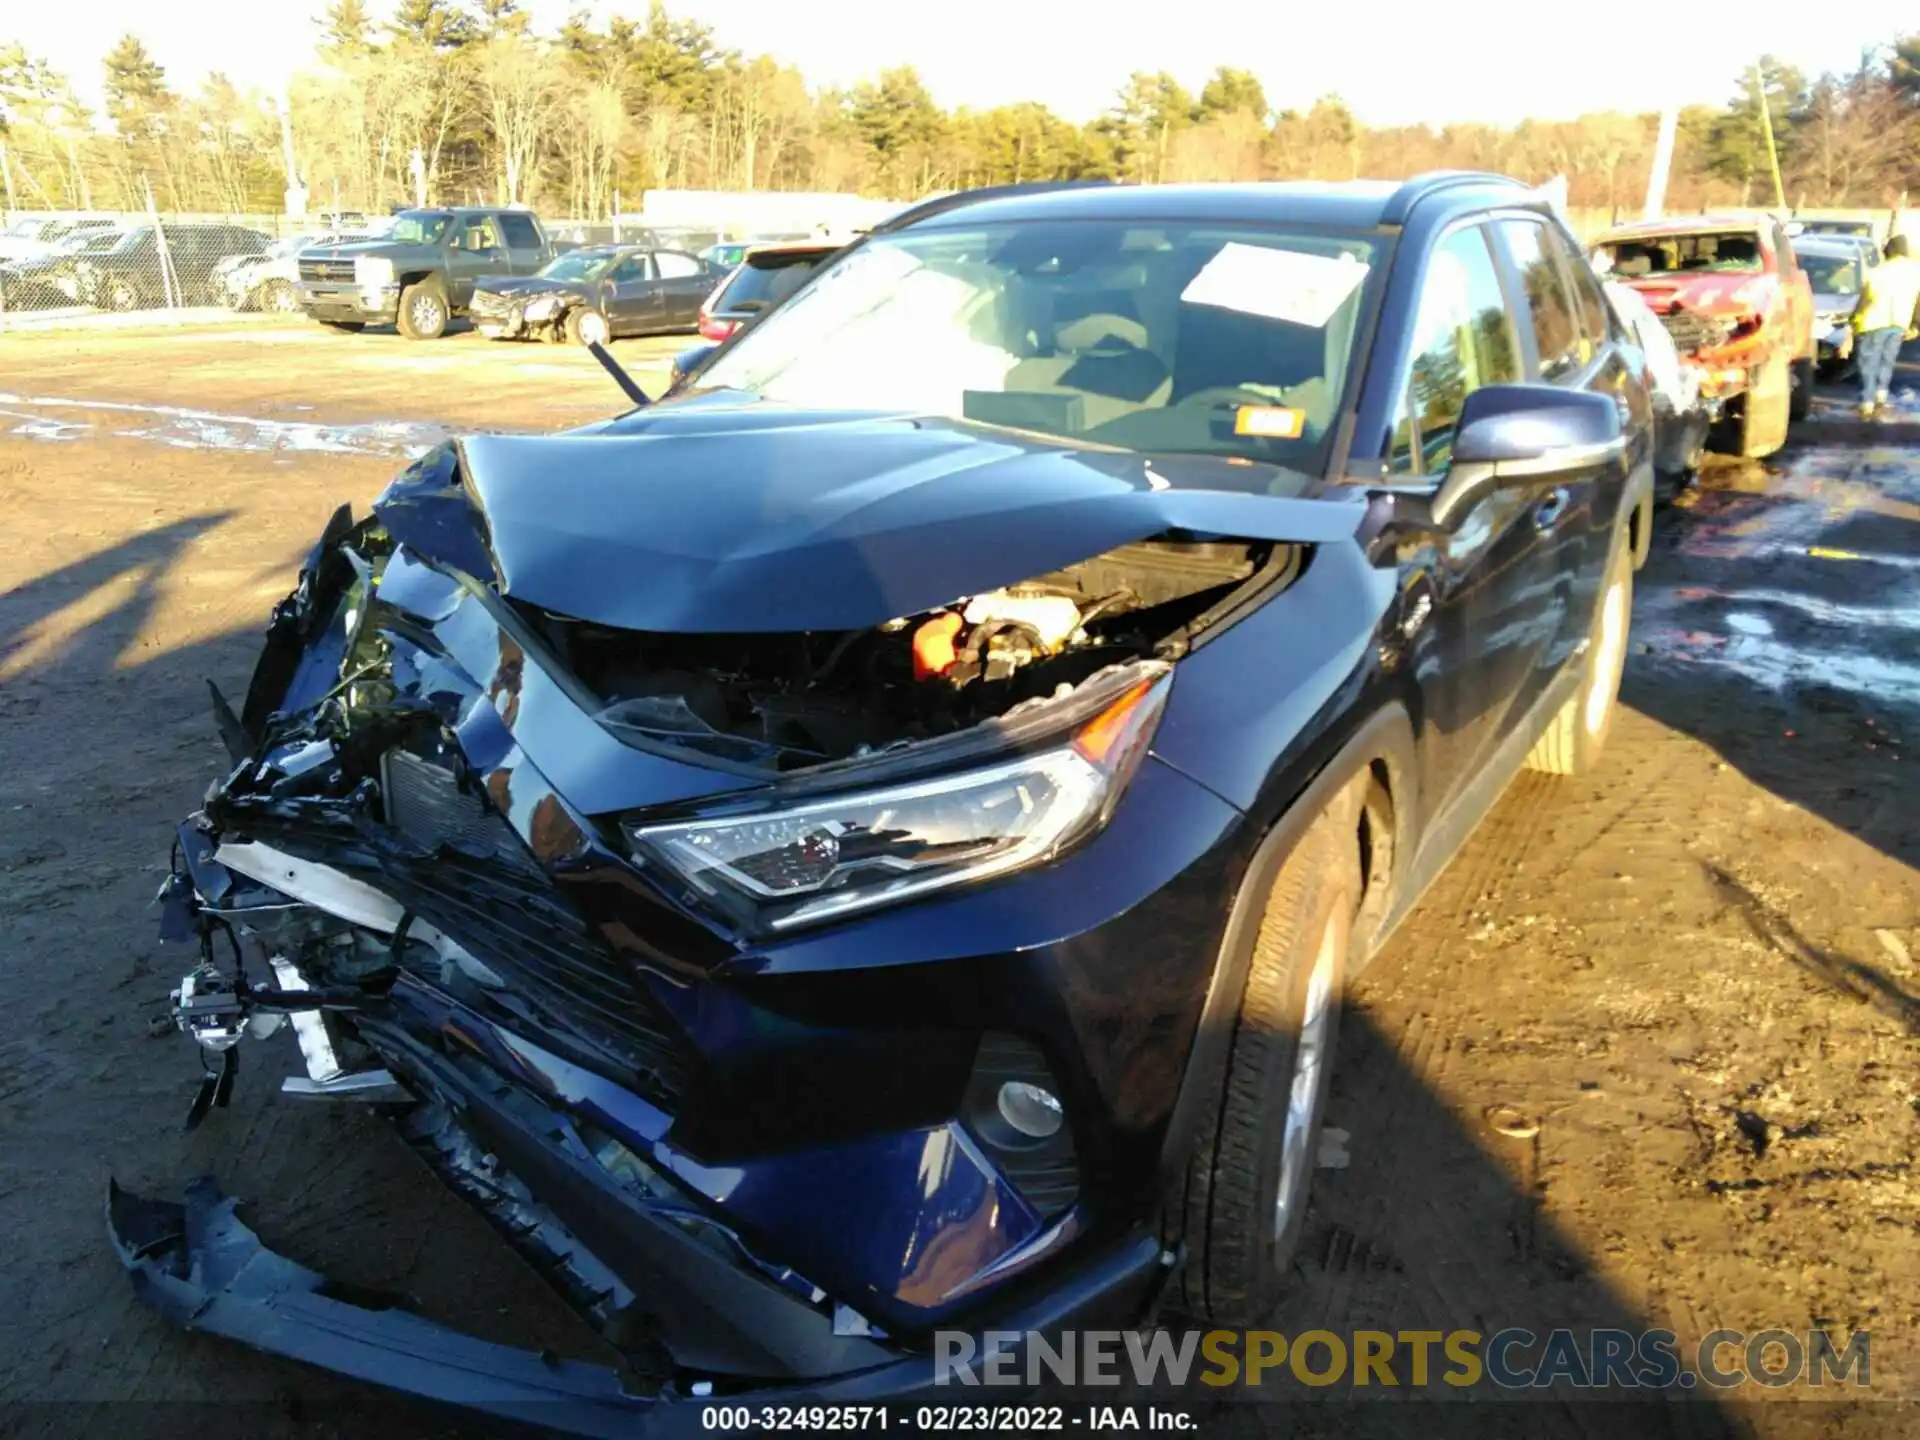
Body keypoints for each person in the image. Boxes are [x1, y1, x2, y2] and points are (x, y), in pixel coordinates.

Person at [1849, 233, 1920, 417]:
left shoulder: (1878, 272)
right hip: (1899, 321)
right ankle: (1881, 394)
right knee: (1887, 360)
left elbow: (1866, 298)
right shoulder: (1916, 272)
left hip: (1873, 321)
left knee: (1868, 361)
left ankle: (1867, 401)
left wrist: (1854, 320)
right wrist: (1915, 324)